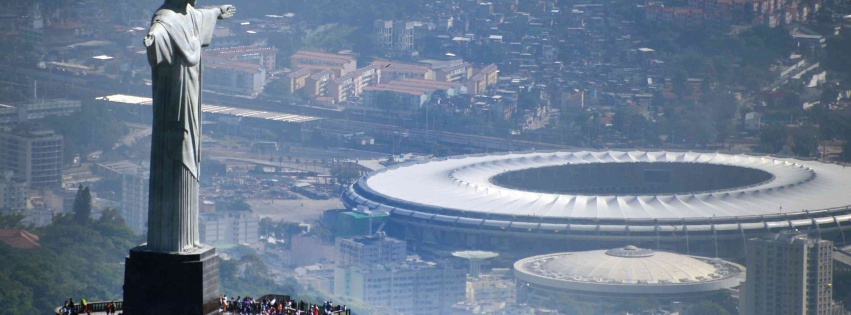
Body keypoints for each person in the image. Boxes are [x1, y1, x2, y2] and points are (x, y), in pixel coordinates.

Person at [143, 0, 236, 253]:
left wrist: (218, 11)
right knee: (176, 152)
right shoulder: (166, 17)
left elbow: (201, 16)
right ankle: (171, 242)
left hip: (192, 98)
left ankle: (187, 239)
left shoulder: (191, 15)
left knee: (190, 157)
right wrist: (154, 38)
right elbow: (160, 30)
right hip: (174, 99)